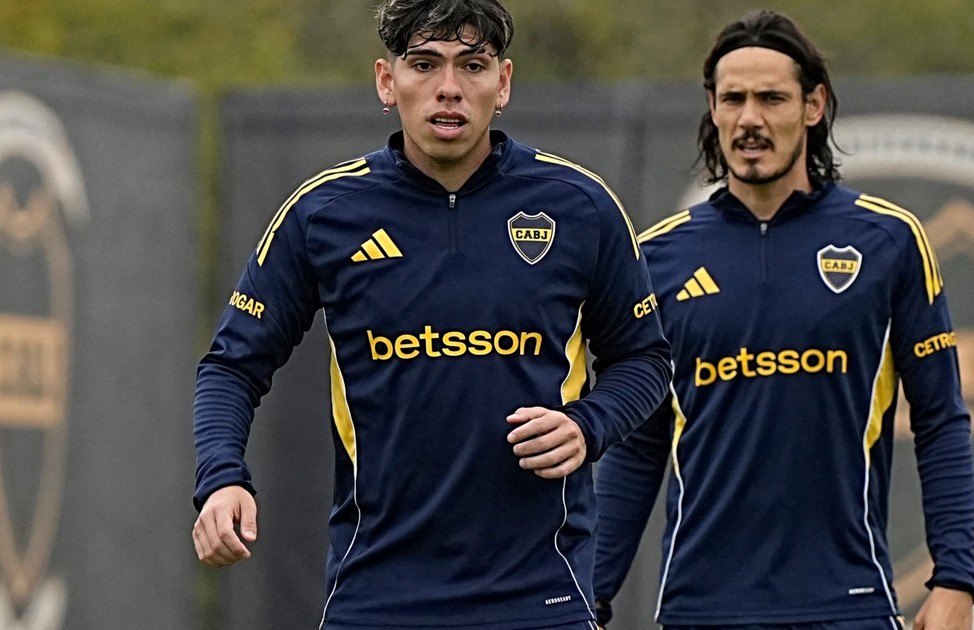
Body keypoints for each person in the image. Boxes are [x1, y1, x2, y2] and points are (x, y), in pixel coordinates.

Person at [190, 1, 672, 628]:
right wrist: (221, 476)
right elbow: (231, 365)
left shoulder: (580, 205)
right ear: (386, 81)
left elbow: (644, 357)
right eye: (424, 64)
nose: (449, 88)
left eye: (471, 65)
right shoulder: (324, 213)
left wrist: (589, 424)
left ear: (503, 83)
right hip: (376, 597)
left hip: (540, 599)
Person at [593, 9, 974, 630]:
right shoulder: (656, 258)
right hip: (702, 609)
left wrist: (956, 578)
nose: (751, 119)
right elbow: (638, 446)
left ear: (813, 106)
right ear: (713, 109)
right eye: (734, 99)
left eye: (771, 98)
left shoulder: (890, 242)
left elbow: (940, 421)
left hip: (849, 603)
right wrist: (590, 596)